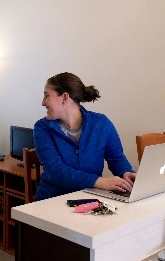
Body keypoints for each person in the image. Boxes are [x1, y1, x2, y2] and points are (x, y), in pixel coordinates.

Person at [33, 72, 137, 201]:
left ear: (64, 97)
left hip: (89, 201)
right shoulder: (42, 128)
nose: (43, 103)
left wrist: (126, 172)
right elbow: (55, 171)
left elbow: (116, 158)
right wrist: (99, 182)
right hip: (51, 202)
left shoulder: (101, 123)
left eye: (47, 96)